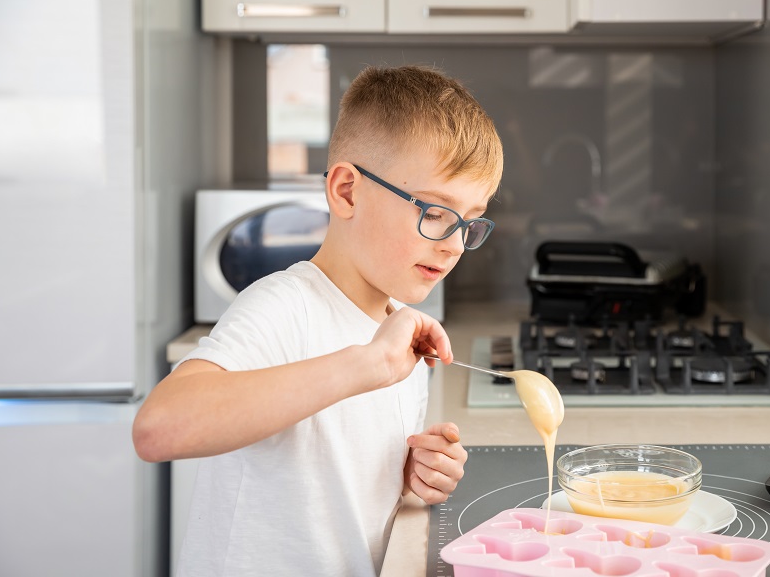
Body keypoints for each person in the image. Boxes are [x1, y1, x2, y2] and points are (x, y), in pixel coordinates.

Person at [132, 64, 504, 576]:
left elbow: (336, 480)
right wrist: (364, 365)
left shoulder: (398, 338)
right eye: (435, 212)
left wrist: (409, 472)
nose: (455, 244)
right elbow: (158, 429)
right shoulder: (286, 306)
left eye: (470, 221)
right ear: (347, 191)